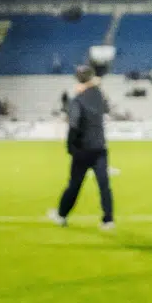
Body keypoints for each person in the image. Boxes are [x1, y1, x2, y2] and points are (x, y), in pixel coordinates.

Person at [48, 65, 114, 230]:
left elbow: (74, 125)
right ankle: (108, 220)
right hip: (100, 148)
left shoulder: (77, 100)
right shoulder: (99, 95)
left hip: (83, 150)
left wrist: (70, 146)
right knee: (104, 185)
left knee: (74, 185)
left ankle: (61, 215)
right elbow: (104, 104)